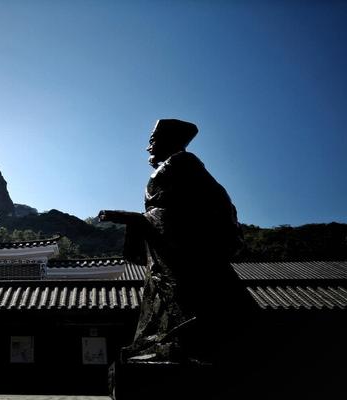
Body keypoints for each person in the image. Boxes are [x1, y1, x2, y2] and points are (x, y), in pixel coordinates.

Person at [99, 118, 246, 363]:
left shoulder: (183, 162)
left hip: (183, 246)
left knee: (186, 294)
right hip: (165, 243)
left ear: (169, 141)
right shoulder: (176, 165)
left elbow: (190, 210)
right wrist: (140, 220)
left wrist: (137, 219)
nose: (148, 147)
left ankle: (186, 341)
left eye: (153, 141)